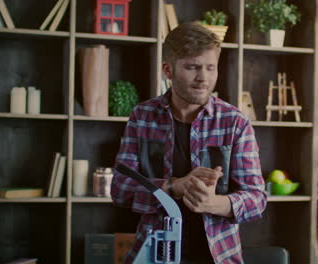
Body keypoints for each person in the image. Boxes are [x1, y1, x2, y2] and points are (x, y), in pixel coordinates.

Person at [111, 21, 266, 264]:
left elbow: (257, 199)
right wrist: (175, 186)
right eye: (192, 67)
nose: (203, 78)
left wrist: (215, 204)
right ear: (168, 70)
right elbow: (120, 191)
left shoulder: (235, 122)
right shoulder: (142, 117)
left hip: (219, 257)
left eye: (210, 68)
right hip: (152, 256)